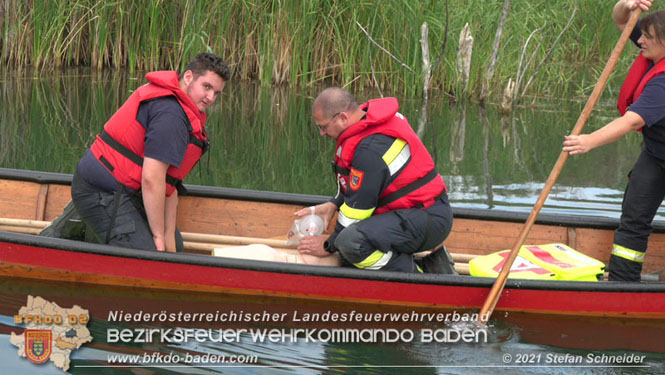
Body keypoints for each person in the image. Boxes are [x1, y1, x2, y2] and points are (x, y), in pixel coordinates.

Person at [70, 52, 230, 252]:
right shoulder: (170, 116)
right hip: (102, 190)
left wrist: (167, 237)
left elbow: (169, 187)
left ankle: (88, 227)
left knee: (175, 248)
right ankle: (81, 225)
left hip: (128, 189)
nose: (211, 97)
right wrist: (157, 237)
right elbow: (151, 179)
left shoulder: (184, 113)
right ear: (189, 77)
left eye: (216, 92)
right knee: (150, 255)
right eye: (207, 87)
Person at [295, 87, 456, 274]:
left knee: (349, 243)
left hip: (427, 217)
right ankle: (433, 261)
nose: (322, 133)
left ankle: (418, 274)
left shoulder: (370, 149)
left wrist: (327, 246)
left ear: (343, 118)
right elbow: (366, 186)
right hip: (412, 213)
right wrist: (334, 204)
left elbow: (356, 211)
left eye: (323, 127)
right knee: (350, 247)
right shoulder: (367, 127)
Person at [563, 0, 659, 281]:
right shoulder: (654, 47)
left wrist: (588, 141)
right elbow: (621, 21)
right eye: (641, 34)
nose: (639, 40)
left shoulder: (663, 83)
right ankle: (622, 282)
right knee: (634, 217)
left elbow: (632, 121)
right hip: (656, 155)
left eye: (646, 37)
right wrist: (626, 4)